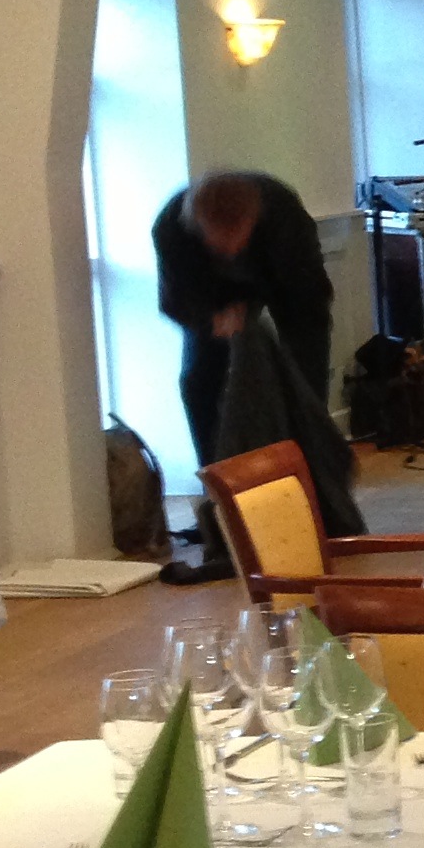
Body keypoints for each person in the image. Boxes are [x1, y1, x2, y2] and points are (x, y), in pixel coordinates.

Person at [153, 169, 335, 582]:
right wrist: (212, 320)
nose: (230, 246)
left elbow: (308, 298)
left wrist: (275, 355)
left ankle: (313, 501)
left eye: (238, 235)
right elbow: (174, 301)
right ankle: (223, 501)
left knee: (302, 390)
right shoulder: (172, 227)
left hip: (289, 292)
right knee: (198, 385)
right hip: (211, 301)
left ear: (254, 220)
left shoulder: (283, 216)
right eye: (218, 238)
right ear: (198, 226)